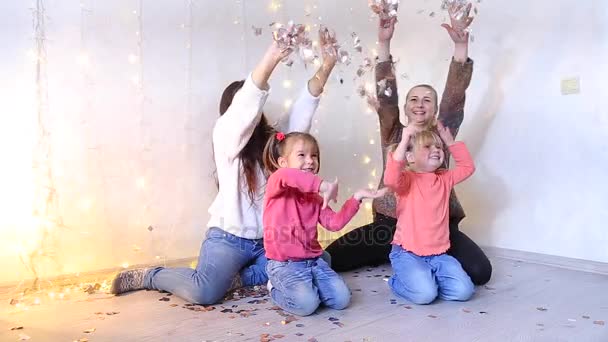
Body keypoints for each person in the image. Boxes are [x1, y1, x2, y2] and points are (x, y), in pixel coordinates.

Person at [110, 32, 339, 304]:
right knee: (204, 291)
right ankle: (151, 276)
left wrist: (327, 65)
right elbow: (244, 107)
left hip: (270, 241)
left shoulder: (275, 146)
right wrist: (272, 57)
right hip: (228, 239)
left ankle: (241, 278)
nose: (251, 115)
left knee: (321, 258)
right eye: (245, 109)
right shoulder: (225, 138)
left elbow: (303, 112)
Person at [326, 4, 492, 285]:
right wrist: (384, 42)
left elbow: (455, 96)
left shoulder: (442, 133)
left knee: (480, 273)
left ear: (436, 108)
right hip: (391, 225)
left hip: (439, 227)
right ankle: (400, 254)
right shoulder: (394, 133)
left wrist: (460, 47)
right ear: (405, 108)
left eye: (427, 99)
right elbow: (386, 96)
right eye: (414, 99)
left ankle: (426, 260)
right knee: (332, 258)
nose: (420, 104)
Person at [262, 131, 387, 316]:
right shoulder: (277, 183)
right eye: (302, 155)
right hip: (284, 264)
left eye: (314, 155)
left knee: (341, 300)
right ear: (283, 163)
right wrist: (322, 185)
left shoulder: (316, 199)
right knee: (307, 305)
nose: (310, 160)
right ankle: (274, 287)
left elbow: (334, 224)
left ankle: (310, 286)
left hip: (313, 261)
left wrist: (356, 198)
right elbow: (288, 176)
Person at [384, 123, 475, 304]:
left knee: (464, 291)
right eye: (427, 146)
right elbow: (390, 178)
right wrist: (404, 141)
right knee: (425, 296)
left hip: (438, 254)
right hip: (407, 252)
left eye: (438, 146)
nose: (436, 149)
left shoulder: (445, 178)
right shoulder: (406, 180)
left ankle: (429, 280)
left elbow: (467, 167)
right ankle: (397, 281)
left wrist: (449, 141)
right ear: (410, 157)